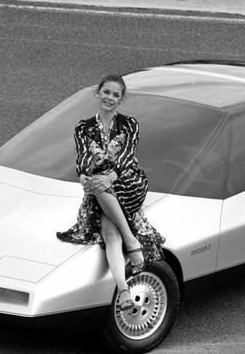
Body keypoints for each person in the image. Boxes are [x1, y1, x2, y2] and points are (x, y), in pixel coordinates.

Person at [56, 74, 165, 311]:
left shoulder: (130, 124)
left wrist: (109, 177)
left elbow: (126, 156)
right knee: (108, 233)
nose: (110, 98)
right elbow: (83, 155)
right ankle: (123, 290)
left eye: (116, 95)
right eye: (107, 92)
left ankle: (131, 239)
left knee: (100, 185)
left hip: (129, 180)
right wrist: (83, 175)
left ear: (121, 100)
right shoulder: (83, 127)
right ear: (98, 93)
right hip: (99, 185)